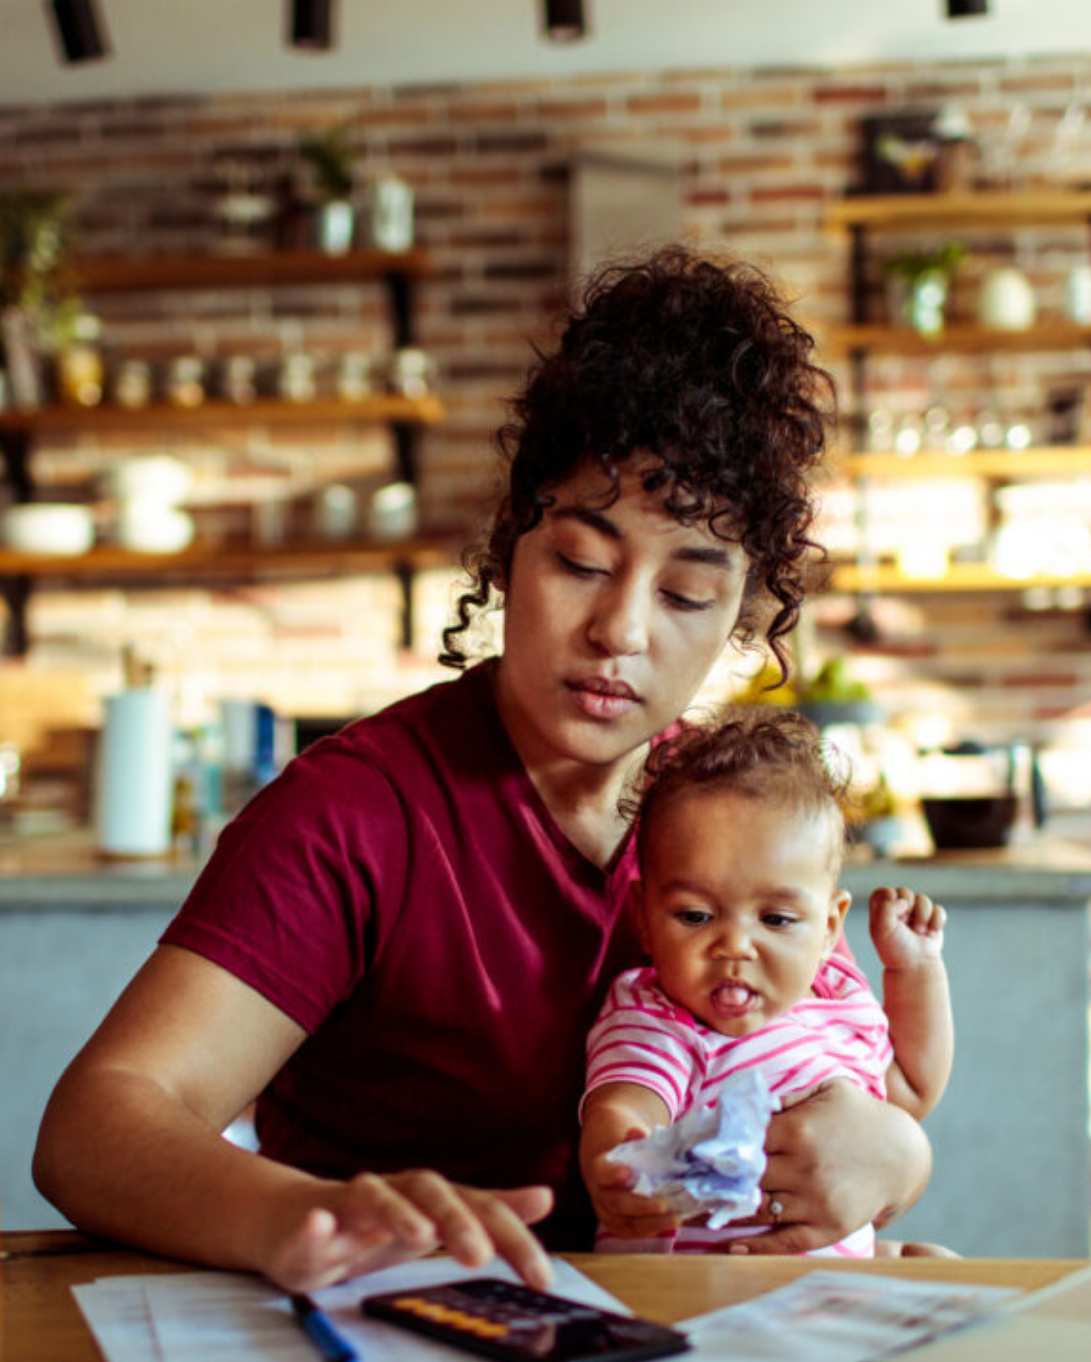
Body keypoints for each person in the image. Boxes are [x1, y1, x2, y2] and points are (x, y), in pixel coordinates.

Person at [33, 245, 932, 1295]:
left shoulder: (731, 815)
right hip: (397, 1321)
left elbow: (835, 1078)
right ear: (509, 546)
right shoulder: (357, 813)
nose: (619, 630)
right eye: (580, 563)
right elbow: (94, 1127)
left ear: (742, 615)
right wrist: (297, 1214)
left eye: (686, 595)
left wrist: (894, 1160)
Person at [580, 706, 953, 1256]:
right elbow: (628, 1102)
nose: (735, 946)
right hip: (704, 1288)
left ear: (829, 927)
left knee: (936, 1264)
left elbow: (912, 1093)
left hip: (825, 1284)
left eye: (775, 920)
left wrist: (915, 971)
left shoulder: (835, 999)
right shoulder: (660, 1016)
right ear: (644, 919)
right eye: (696, 916)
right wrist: (618, 1156)